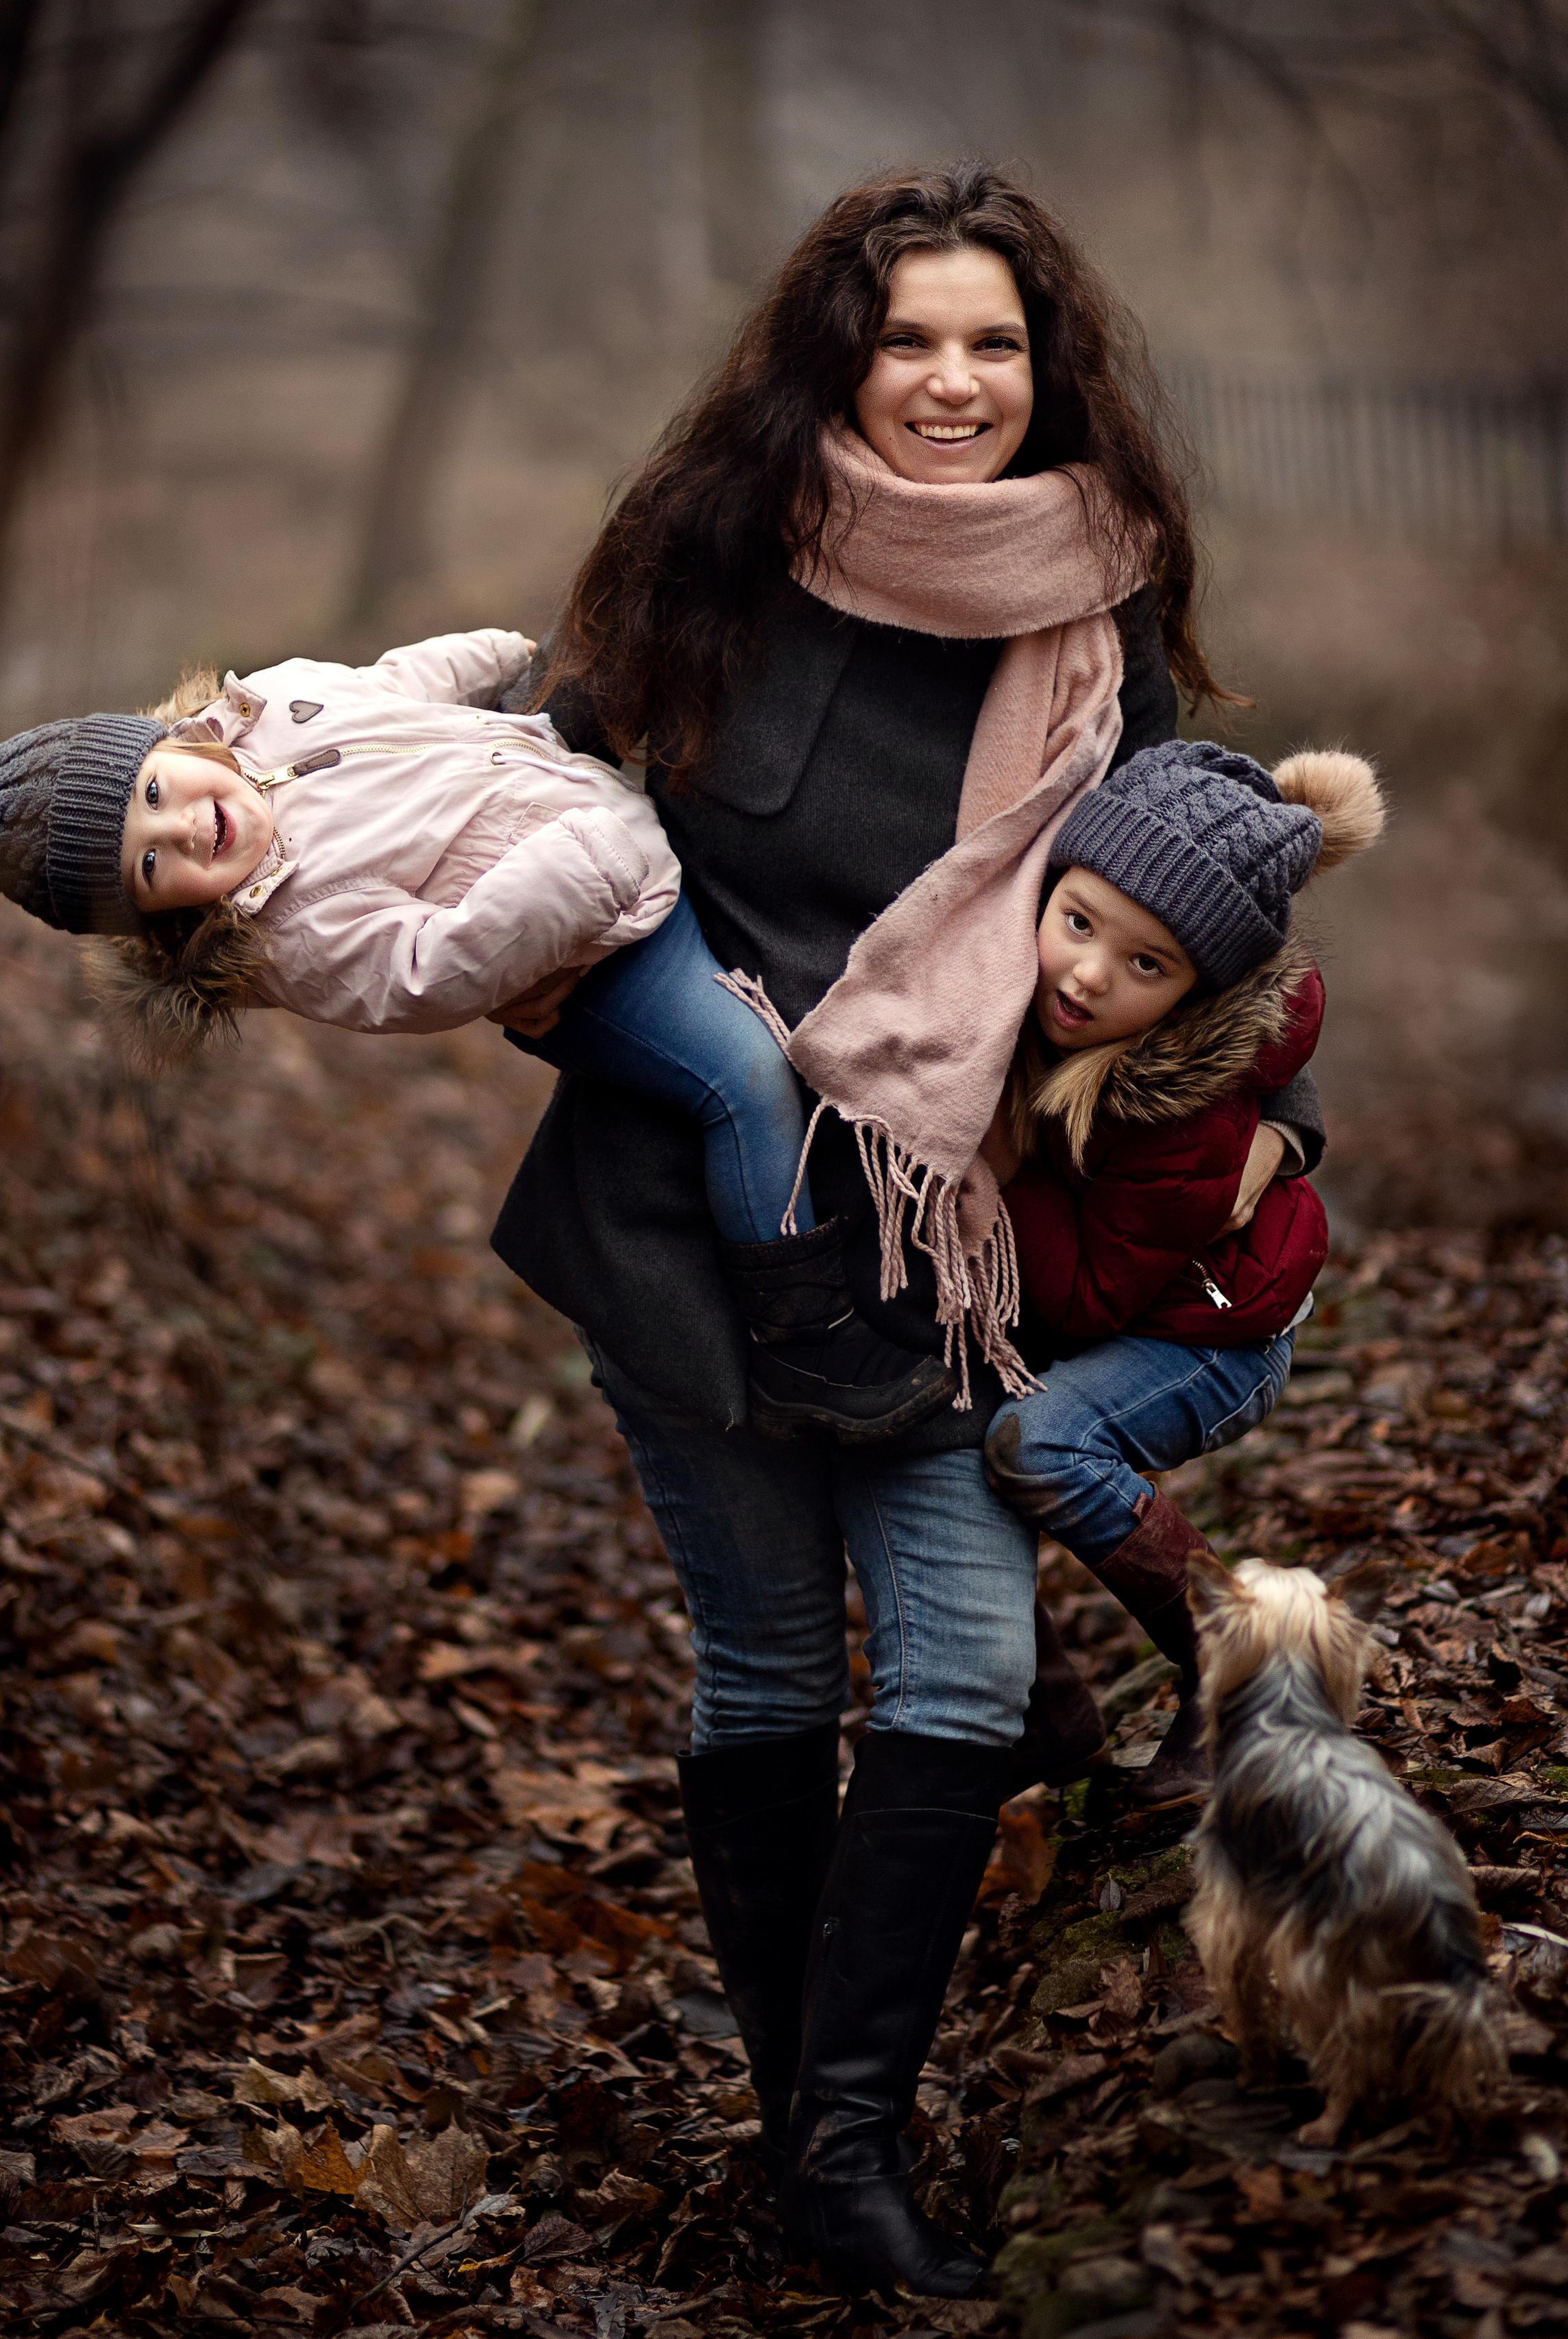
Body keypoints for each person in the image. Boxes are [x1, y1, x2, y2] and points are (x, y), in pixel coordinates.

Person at [489, 162, 1325, 2298]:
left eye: (995, 343)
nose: (953, 381)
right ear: (835, 359)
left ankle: (847, 2144)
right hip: (691, 1220)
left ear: (1048, 374)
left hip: (966, 1243)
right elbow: (543, 829)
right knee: (770, 1664)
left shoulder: (1100, 600)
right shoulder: (711, 561)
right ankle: (817, 2150)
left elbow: (1187, 917)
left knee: (954, 1663)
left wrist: (1250, 1126)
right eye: (911, 339)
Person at [0, 631, 946, 1442]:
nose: (181, 826)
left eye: (157, 791)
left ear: (181, 743)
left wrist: (493, 661)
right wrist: (582, 867)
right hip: (600, 953)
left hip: (583, 810)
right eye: (150, 862)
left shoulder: (281, 705)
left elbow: (389, 684)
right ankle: (809, 1331)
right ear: (164, 919)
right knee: (745, 1075)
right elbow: (436, 967)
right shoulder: (293, 940)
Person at [982, 738, 1384, 1804]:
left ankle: (1245, 1675)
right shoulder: (1045, 996)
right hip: (1129, 1298)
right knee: (931, 1422)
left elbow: (1087, 1296)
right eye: (1076, 924)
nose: (1088, 974)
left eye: (1146, 966)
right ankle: (1043, 1717)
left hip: (1211, 1333)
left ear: (1195, 996)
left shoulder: (1186, 1117)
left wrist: (1001, 1165)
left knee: (1043, 1441)